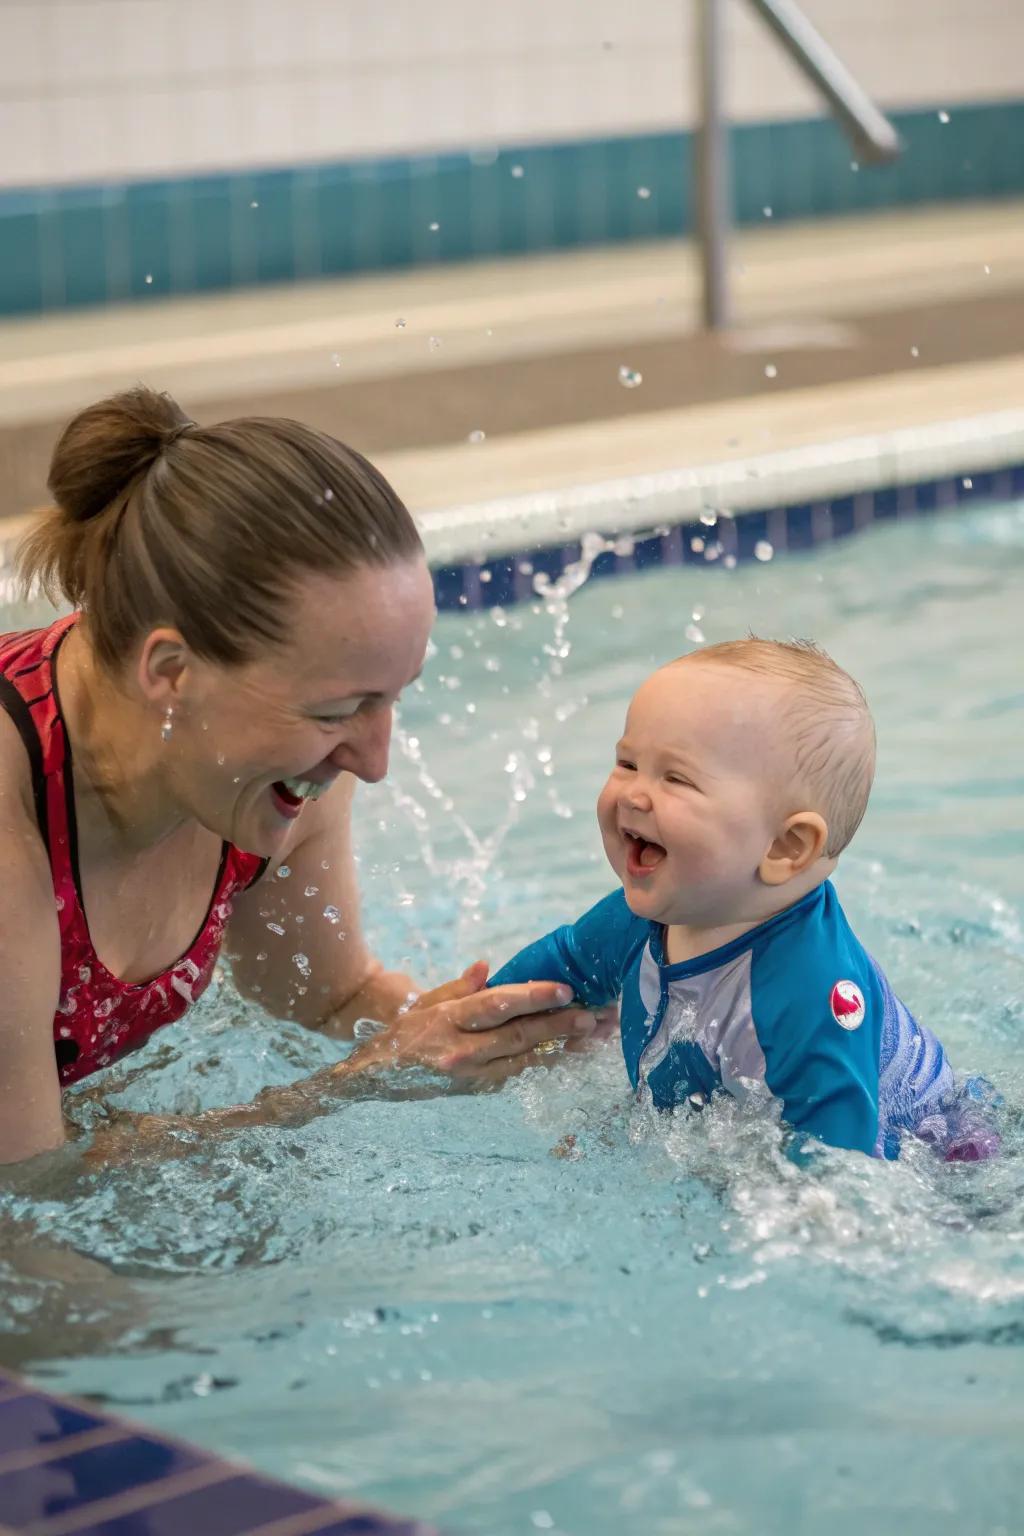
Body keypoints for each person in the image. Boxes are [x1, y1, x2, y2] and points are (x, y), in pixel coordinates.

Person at [0, 387, 606, 1168]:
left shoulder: (271, 773)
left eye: (390, 699)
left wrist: (508, 1033)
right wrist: (355, 1086)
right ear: (171, 673)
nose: (373, 760)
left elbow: (331, 998)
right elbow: (29, 1194)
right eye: (340, 711)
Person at [489, 639, 999, 1160]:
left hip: (938, 1158)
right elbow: (559, 972)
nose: (633, 794)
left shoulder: (808, 990)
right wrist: (476, 1023)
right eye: (627, 763)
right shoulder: (647, 912)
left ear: (785, 846)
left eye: (676, 778)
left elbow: (841, 1166)